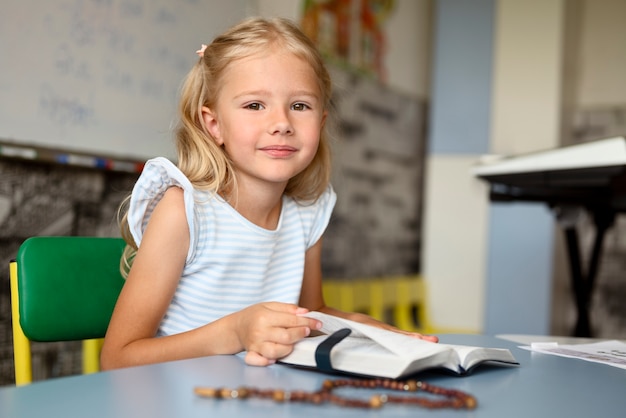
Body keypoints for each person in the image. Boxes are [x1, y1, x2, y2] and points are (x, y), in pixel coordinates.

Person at [100, 16, 437, 371]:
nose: (281, 123)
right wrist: (235, 331)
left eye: (299, 106)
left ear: (320, 124)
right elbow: (118, 357)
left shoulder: (308, 212)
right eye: (255, 105)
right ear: (213, 125)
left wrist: (378, 333)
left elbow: (312, 313)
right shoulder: (183, 210)